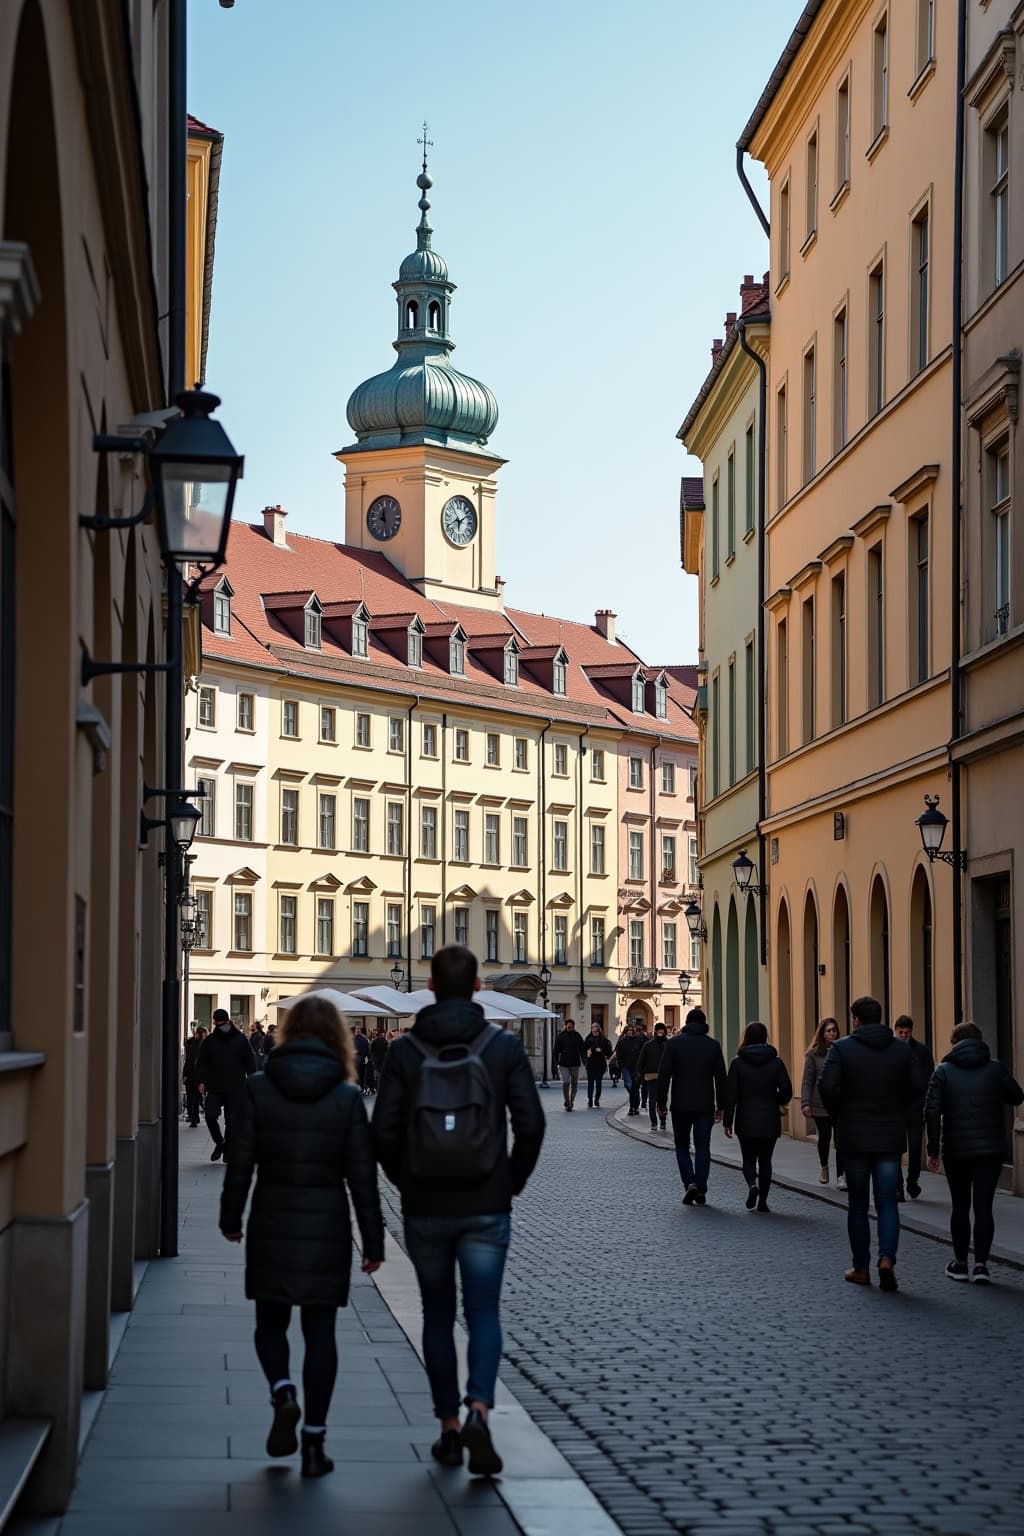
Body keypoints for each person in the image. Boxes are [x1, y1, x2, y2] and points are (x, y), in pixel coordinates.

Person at [372, 945, 544, 1476]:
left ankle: (448, 1428)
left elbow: (382, 1133)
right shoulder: (501, 1047)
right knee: (485, 1312)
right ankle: (479, 1411)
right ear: (477, 989)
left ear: (428, 985)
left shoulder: (405, 1050)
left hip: (426, 1204)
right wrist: (509, 1182)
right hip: (487, 1202)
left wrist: (408, 1180)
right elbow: (532, 1124)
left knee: (438, 1316)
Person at [220, 995, 384, 1478]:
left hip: (272, 1219)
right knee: (321, 1334)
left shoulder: (258, 1088)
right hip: (327, 1225)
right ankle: (314, 1442)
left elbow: (240, 1160)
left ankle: (282, 1392)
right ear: (338, 1038)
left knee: (270, 1324)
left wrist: (231, 1217)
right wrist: (373, 1243)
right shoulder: (348, 1096)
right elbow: (362, 1177)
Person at [820, 996, 926, 1292]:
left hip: (854, 1135)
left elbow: (827, 1085)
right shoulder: (901, 1050)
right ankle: (887, 1259)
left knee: (858, 1203)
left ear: (855, 1019)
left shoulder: (842, 1048)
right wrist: (899, 1109)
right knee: (887, 1200)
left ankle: (861, 1267)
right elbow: (918, 1084)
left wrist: (839, 1112)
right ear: (881, 1018)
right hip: (890, 1133)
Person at [925, 1021, 1023, 1284]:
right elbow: (1016, 1095)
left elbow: (932, 1111)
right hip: (990, 1149)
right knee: (984, 1207)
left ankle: (960, 1263)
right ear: (979, 1041)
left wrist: (932, 1148)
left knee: (960, 1207)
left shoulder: (943, 1071)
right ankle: (981, 1265)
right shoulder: (995, 1068)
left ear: (954, 1043)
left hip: (956, 1150)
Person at [656, 1007, 728, 1206]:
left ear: (686, 1023)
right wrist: (721, 1105)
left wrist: (660, 1102)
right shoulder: (713, 1045)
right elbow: (721, 1078)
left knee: (682, 1146)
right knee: (703, 1146)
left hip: (680, 1104)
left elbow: (664, 1075)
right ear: (704, 1024)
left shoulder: (674, 1044)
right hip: (705, 1105)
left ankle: (689, 1182)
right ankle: (701, 1188)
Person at [724, 1022, 793, 1212]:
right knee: (765, 1160)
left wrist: (727, 1121)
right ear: (765, 1037)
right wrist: (775, 1100)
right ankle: (763, 1200)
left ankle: (752, 1184)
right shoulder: (776, 1062)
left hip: (746, 1117)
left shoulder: (738, 1063)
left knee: (748, 1159)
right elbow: (787, 1089)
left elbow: (731, 1094)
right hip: (769, 1118)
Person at [196, 1009, 257, 1162]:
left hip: (236, 1086)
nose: (219, 1025)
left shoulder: (240, 1039)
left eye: (220, 1023)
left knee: (232, 1121)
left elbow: (250, 1061)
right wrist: (201, 1081)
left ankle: (228, 1150)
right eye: (217, 1023)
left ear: (227, 1021)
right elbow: (202, 1062)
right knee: (210, 1115)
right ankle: (220, 1143)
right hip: (215, 1086)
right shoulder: (210, 1041)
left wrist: (253, 1080)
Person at [892, 1015, 934, 1201]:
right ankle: (898, 1187)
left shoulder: (922, 1052)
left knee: (916, 1148)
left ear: (911, 1032)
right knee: (896, 1149)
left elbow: (929, 1077)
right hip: (897, 1107)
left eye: (906, 1033)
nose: (903, 1036)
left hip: (916, 1107)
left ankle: (912, 1180)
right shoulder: (890, 1051)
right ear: (895, 1031)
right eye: (900, 1033)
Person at [801, 1018, 845, 1189]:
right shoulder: (813, 1055)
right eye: (828, 1030)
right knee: (825, 1137)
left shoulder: (843, 1051)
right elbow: (807, 1081)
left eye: (834, 1030)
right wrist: (805, 1103)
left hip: (839, 1104)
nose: (832, 1033)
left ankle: (841, 1175)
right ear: (822, 1033)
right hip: (820, 1104)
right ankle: (824, 1166)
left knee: (841, 1140)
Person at [637, 1022, 671, 1130]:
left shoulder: (669, 1045)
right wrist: (639, 1073)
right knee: (652, 1101)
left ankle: (663, 1121)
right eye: (659, 1031)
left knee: (662, 1100)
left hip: (664, 1077)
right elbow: (641, 1060)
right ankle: (654, 1122)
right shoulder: (648, 1045)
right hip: (651, 1076)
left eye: (662, 1031)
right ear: (655, 1032)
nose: (660, 1033)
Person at [552, 1018, 586, 1111]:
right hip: (564, 1063)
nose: (569, 1028)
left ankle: (572, 1099)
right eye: (568, 1027)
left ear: (573, 1027)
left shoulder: (577, 1036)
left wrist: (584, 1061)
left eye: (571, 1027)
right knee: (566, 1082)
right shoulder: (561, 1036)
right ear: (566, 1026)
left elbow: (582, 1049)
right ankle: (567, 1102)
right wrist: (555, 1062)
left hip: (575, 1063)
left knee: (574, 1083)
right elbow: (556, 1049)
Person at [613, 1024, 645, 1116]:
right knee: (629, 1085)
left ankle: (633, 1107)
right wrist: (621, 1064)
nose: (630, 1032)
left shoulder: (638, 1041)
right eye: (629, 1030)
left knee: (634, 1087)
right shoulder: (622, 1042)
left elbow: (643, 1052)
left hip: (636, 1067)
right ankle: (635, 1102)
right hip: (626, 1067)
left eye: (632, 1030)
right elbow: (618, 1054)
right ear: (626, 1032)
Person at [182, 1025, 207, 1127]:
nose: (194, 1034)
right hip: (198, 1075)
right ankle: (195, 1117)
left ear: (199, 1034)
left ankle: (193, 1117)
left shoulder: (196, 1046)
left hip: (193, 1075)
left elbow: (190, 1061)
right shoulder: (201, 1044)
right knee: (196, 1097)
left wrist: (185, 1074)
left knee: (192, 1097)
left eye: (196, 1033)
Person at [583, 1021, 613, 1108]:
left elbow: (609, 1052)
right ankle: (590, 1099)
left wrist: (602, 1051)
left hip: (600, 1064)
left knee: (599, 1083)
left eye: (595, 1029)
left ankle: (597, 1099)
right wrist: (586, 1058)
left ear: (599, 1030)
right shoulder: (588, 1039)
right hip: (590, 1064)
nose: (594, 1030)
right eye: (592, 1029)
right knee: (590, 1084)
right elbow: (583, 1051)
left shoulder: (603, 1040)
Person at [367, 1027, 389, 1095]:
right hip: (383, 1061)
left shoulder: (374, 1041)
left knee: (376, 1076)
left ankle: (375, 1089)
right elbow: (387, 1051)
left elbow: (370, 1051)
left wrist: (371, 1058)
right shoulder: (385, 1041)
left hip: (376, 1061)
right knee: (381, 1076)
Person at [353, 1025, 370, 1094]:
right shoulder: (365, 1040)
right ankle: (362, 1088)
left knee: (356, 1075)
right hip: (362, 1060)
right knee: (362, 1075)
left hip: (355, 1060)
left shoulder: (352, 1040)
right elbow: (367, 1050)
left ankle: (357, 1089)